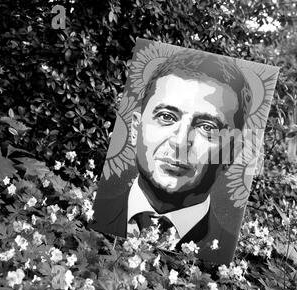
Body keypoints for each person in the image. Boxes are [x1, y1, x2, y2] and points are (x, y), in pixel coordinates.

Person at [90, 50, 253, 263]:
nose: (179, 142)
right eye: (166, 117)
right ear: (135, 128)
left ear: (233, 150)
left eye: (206, 127)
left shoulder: (228, 255)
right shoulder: (86, 214)